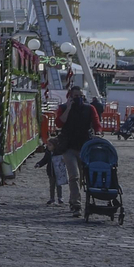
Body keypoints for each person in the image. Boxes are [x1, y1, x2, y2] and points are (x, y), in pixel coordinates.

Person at [54, 85, 98, 217]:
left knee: (81, 178)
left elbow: (97, 124)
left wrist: (98, 134)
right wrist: (68, 108)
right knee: (74, 176)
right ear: (70, 97)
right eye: (75, 96)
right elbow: (59, 123)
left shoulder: (89, 108)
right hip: (68, 147)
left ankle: (73, 198)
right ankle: (76, 204)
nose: (78, 98)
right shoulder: (63, 108)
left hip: (84, 147)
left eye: (80, 96)